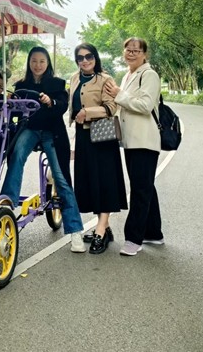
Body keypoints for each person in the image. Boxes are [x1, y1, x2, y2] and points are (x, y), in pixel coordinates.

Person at [0, 46, 86, 253]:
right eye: (34, 61)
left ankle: (75, 230)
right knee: (16, 155)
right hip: (30, 129)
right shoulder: (20, 85)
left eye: (41, 61)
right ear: (29, 62)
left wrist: (50, 101)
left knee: (61, 177)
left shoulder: (57, 83)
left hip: (53, 132)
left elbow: (62, 106)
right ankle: (6, 206)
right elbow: (14, 113)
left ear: (47, 63)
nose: (37, 65)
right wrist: (12, 103)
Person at [105, 37, 163, 257]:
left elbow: (145, 105)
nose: (131, 53)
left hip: (145, 140)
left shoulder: (149, 75)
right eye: (128, 50)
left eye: (136, 51)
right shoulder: (128, 75)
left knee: (140, 189)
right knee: (145, 186)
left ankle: (133, 238)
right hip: (131, 141)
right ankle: (154, 233)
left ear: (144, 54)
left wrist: (118, 94)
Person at [69, 43, 127, 255]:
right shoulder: (74, 78)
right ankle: (106, 228)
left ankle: (101, 230)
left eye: (89, 56)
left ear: (95, 57)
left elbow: (112, 107)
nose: (85, 61)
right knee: (90, 182)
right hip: (84, 137)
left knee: (104, 182)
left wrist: (88, 112)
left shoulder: (105, 79)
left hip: (102, 137)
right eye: (80, 57)